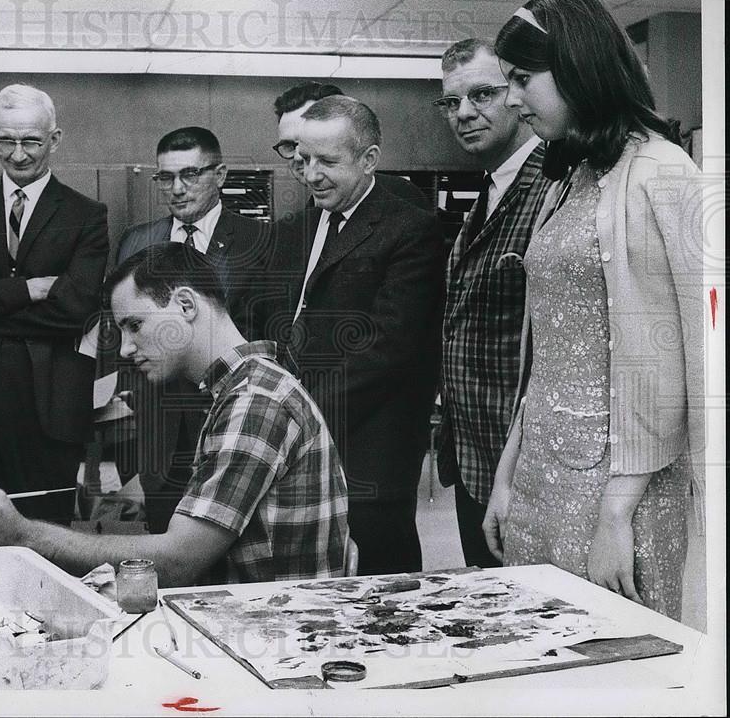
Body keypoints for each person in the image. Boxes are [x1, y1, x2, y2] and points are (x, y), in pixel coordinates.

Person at [482, 0, 704, 620]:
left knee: (616, 663)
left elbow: (682, 355)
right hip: (542, 476)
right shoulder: (568, 178)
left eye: (524, 78)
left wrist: (618, 511)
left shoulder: (663, 172)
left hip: (619, 489)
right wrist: (508, 476)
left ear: (578, 65)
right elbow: (546, 353)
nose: (513, 99)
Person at [0, 242, 350, 586]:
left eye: (134, 325)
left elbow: (177, 561)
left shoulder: (255, 401)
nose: (124, 348)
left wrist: (23, 534)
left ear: (185, 304)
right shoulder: (247, 387)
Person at [263, 95, 445, 574]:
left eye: (328, 161)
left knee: (380, 588)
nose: (312, 173)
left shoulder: (410, 230)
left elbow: (388, 346)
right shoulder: (294, 229)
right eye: (304, 160)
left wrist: (302, 409)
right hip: (298, 443)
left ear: (369, 160)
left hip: (370, 450)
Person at [0, 83, 109, 562]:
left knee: (46, 542)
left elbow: (76, 308)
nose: (18, 154)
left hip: (49, 403)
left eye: (31, 141)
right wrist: (29, 289)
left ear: (55, 138)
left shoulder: (86, 215)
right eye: (5, 141)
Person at [107, 127, 271, 532]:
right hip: (159, 432)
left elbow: (273, 334)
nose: (177, 188)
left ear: (220, 174)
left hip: (233, 426)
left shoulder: (262, 240)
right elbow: (125, 334)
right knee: (166, 543)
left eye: (190, 175)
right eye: (165, 177)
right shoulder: (136, 241)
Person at [434, 38, 557, 568]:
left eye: (481, 94)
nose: (464, 114)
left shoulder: (555, 183)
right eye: (451, 102)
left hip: (526, 468)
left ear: (517, 94)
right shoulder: (489, 190)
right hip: (471, 457)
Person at [273, 81, 431, 210]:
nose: (299, 155)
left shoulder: (402, 198)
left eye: (309, 140)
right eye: (288, 145)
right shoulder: (310, 214)